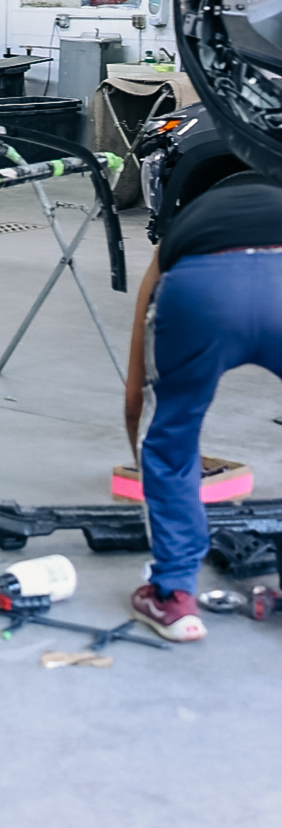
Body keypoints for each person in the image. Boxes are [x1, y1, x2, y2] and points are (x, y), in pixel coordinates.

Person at [125, 169, 282, 640]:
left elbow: (137, 386)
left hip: (201, 290)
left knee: (172, 439)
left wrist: (148, 453)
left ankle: (173, 598)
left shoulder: (184, 226)